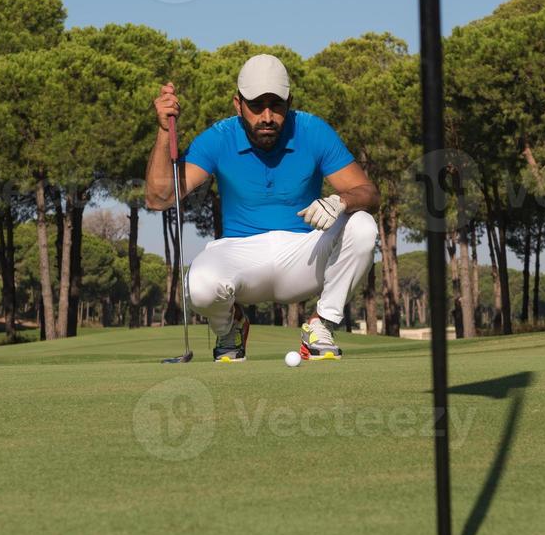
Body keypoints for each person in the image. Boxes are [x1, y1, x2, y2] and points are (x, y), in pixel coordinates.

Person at [145, 54, 380, 362]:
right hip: (241, 255)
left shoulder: (313, 130)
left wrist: (342, 201)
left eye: (276, 105)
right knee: (199, 285)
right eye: (256, 106)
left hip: (304, 255)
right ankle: (230, 329)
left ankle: (321, 325)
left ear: (289, 102)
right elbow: (159, 198)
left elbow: (369, 193)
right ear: (237, 104)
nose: (267, 116)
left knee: (363, 225)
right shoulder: (219, 137)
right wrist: (164, 132)